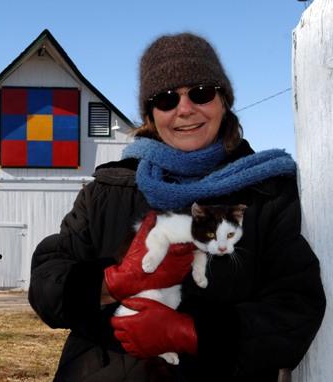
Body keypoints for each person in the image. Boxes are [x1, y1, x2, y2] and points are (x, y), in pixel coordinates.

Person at [28, 32, 326, 381]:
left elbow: (296, 308)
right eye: (166, 99)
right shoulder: (109, 189)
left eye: (200, 92)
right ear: (151, 115)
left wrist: (190, 333)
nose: (185, 109)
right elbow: (45, 282)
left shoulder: (266, 194)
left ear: (223, 101)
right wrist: (112, 282)